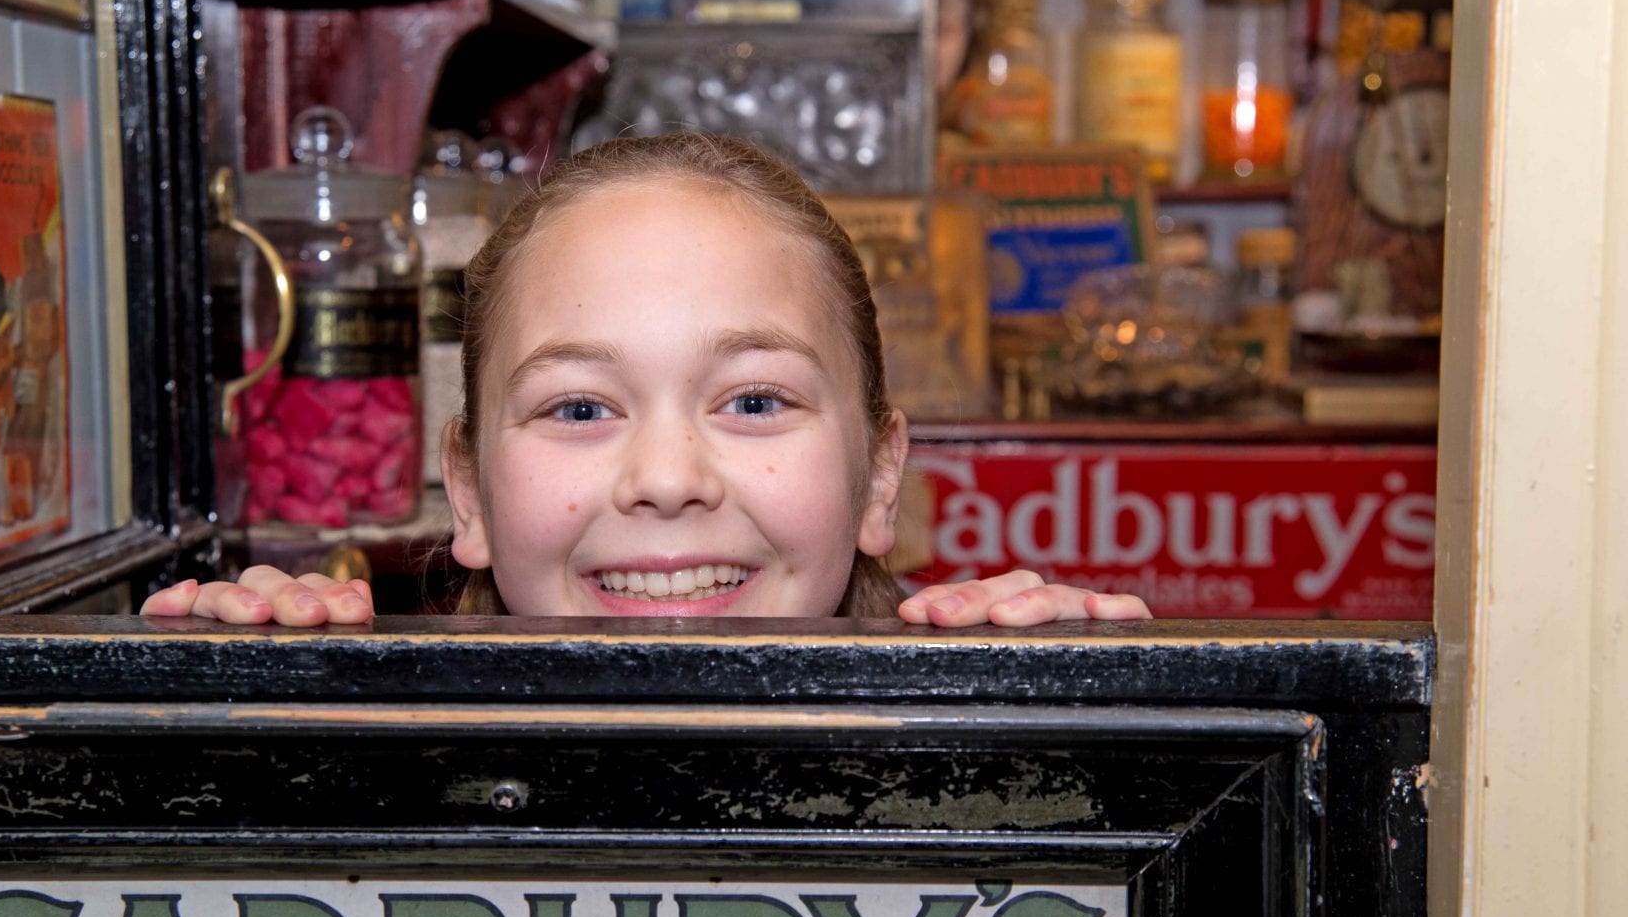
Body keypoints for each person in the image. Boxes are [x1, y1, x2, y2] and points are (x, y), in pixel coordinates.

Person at [142, 133, 1150, 628]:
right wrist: (246, 731)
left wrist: (1095, 739)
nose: (667, 478)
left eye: (754, 400)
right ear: (470, 491)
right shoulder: (382, 754)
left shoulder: (1000, 730)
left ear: (880, 476)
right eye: (579, 407)